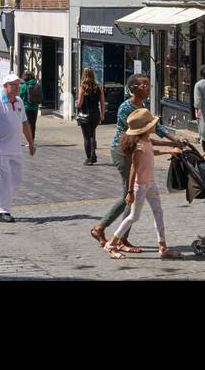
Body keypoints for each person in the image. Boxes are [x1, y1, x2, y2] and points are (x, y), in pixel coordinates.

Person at [90, 72, 182, 249]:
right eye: (144, 85)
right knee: (129, 192)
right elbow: (144, 134)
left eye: (149, 85)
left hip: (136, 149)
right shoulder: (127, 108)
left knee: (128, 193)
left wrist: (174, 140)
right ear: (133, 88)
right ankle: (117, 237)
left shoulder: (142, 104)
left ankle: (104, 229)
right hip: (123, 151)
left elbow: (156, 128)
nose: (148, 88)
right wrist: (171, 143)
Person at [105, 109, 182, 260]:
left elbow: (154, 151)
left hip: (150, 184)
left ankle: (163, 247)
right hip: (139, 186)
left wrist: (170, 152)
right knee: (133, 216)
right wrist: (130, 191)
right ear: (146, 128)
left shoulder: (146, 141)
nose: (156, 125)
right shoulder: (139, 146)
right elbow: (133, 167)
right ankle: (111, 243)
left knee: (158, 212)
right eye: (153, 124)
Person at [0, 73, 36, 223]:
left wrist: (31, 143)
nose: (17, 88)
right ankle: (2, 211)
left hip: (15, 149)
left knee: (16, 179)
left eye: (18, 85)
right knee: (5, 178)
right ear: (5, 86)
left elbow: (25, 124)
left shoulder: (18, 102)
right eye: (13, 85)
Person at [76, 68, 105, 165]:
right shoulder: (98, 87)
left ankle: (89, 158)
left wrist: (77, 103)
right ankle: (93, 155)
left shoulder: (83, 87)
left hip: (85, 115)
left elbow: (79, 104)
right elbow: (102, 102)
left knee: (87, 137)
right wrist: (102, 114)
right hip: (95, 114)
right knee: (92, 134)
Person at [18, 70, 42, 140]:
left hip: (26, 107)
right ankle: (32, 139)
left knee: (27, 124)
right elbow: (42, 96)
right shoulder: (38, 85)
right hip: (35, 107)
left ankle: (29, 140)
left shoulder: (24, 86)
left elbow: (20, 97)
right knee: (33, 124)